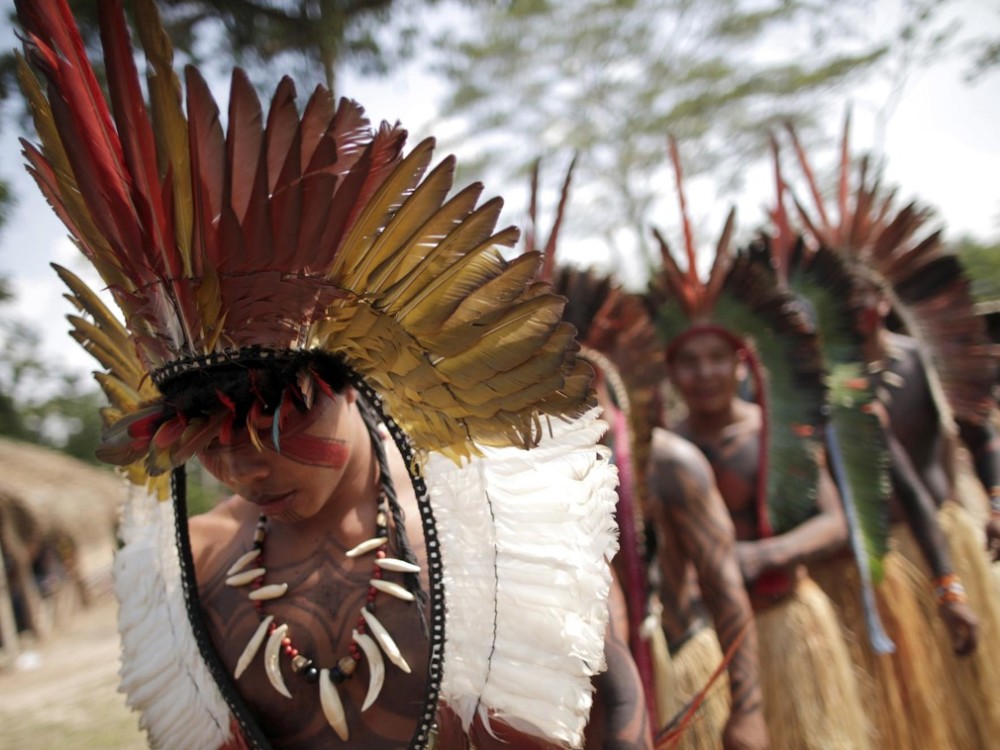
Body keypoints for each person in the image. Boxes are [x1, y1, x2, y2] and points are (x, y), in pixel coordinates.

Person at [15, 1, 632, 748]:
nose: (243, 466)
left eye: (273, 422)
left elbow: (614, 691)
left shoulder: (495, 524)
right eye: (207, 440)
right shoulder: (195, 560)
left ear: (350, 379)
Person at [778, 116, 1000, 748]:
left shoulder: (920, 358)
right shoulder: (826, 390)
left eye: (851, 299)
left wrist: (995, 502)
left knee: (967, 709)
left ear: (876, 300)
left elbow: (980, 432)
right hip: (868, 571)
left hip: (940, 537)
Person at [646, 138, 870, 750]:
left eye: (718, 358)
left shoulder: (773, 433)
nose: (705, 374)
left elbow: (835, 523)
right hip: (710, 645)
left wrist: (764, 556)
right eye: (689, 363)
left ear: (740, 360)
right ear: (671, 373)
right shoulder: (665, 455)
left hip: (786, 623)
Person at [645, 427, 768, 750]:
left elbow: (724, 589)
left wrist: (747, 711)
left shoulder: (670, 463)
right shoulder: (532, 461)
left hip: (678, 673)